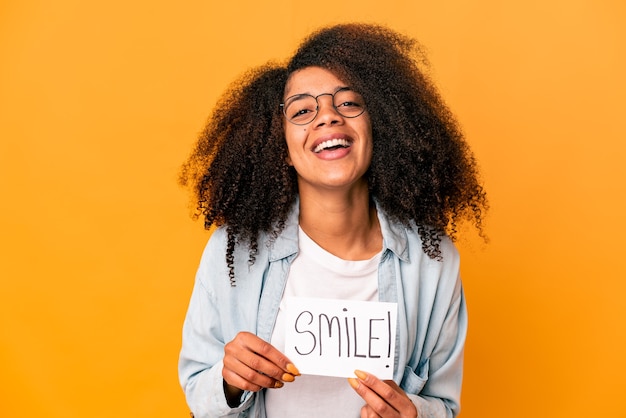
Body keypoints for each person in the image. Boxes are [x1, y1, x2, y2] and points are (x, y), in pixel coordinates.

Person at [178, 23, 487, 418]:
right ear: (283, 147)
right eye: (303, 110)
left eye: (348, 103)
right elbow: (196, 391)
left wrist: (413, 414)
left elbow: (444, 405)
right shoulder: (233, 250)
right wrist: (229, 380)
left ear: (379, 127)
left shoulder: (434, 262)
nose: (327, 118)